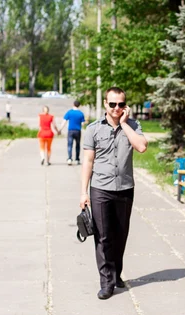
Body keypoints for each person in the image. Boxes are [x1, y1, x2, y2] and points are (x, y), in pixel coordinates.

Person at [79, 87, 148, 300]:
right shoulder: (93, 129)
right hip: (100, 188)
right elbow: (88, 161)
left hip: (125, 188)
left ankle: (116, 273)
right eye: (112, 104)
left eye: (121, 104)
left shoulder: (133, 126)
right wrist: (83, 192)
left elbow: (142, 147)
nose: (116, 108)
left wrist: (125, 124)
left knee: (121, 234)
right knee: (103, 236)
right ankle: (107, 282)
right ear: (105, 105)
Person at [58, 100, 87, 165]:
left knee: (69, 145)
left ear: (73, 104)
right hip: (78, 131)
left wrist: (60, 129)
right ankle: (77, 159)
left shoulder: (69, 112)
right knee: (77, 145)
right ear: (79, 105)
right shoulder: (81, 113)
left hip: (70, 131)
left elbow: (64, 122)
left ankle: (69, 159)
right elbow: (82, 124)